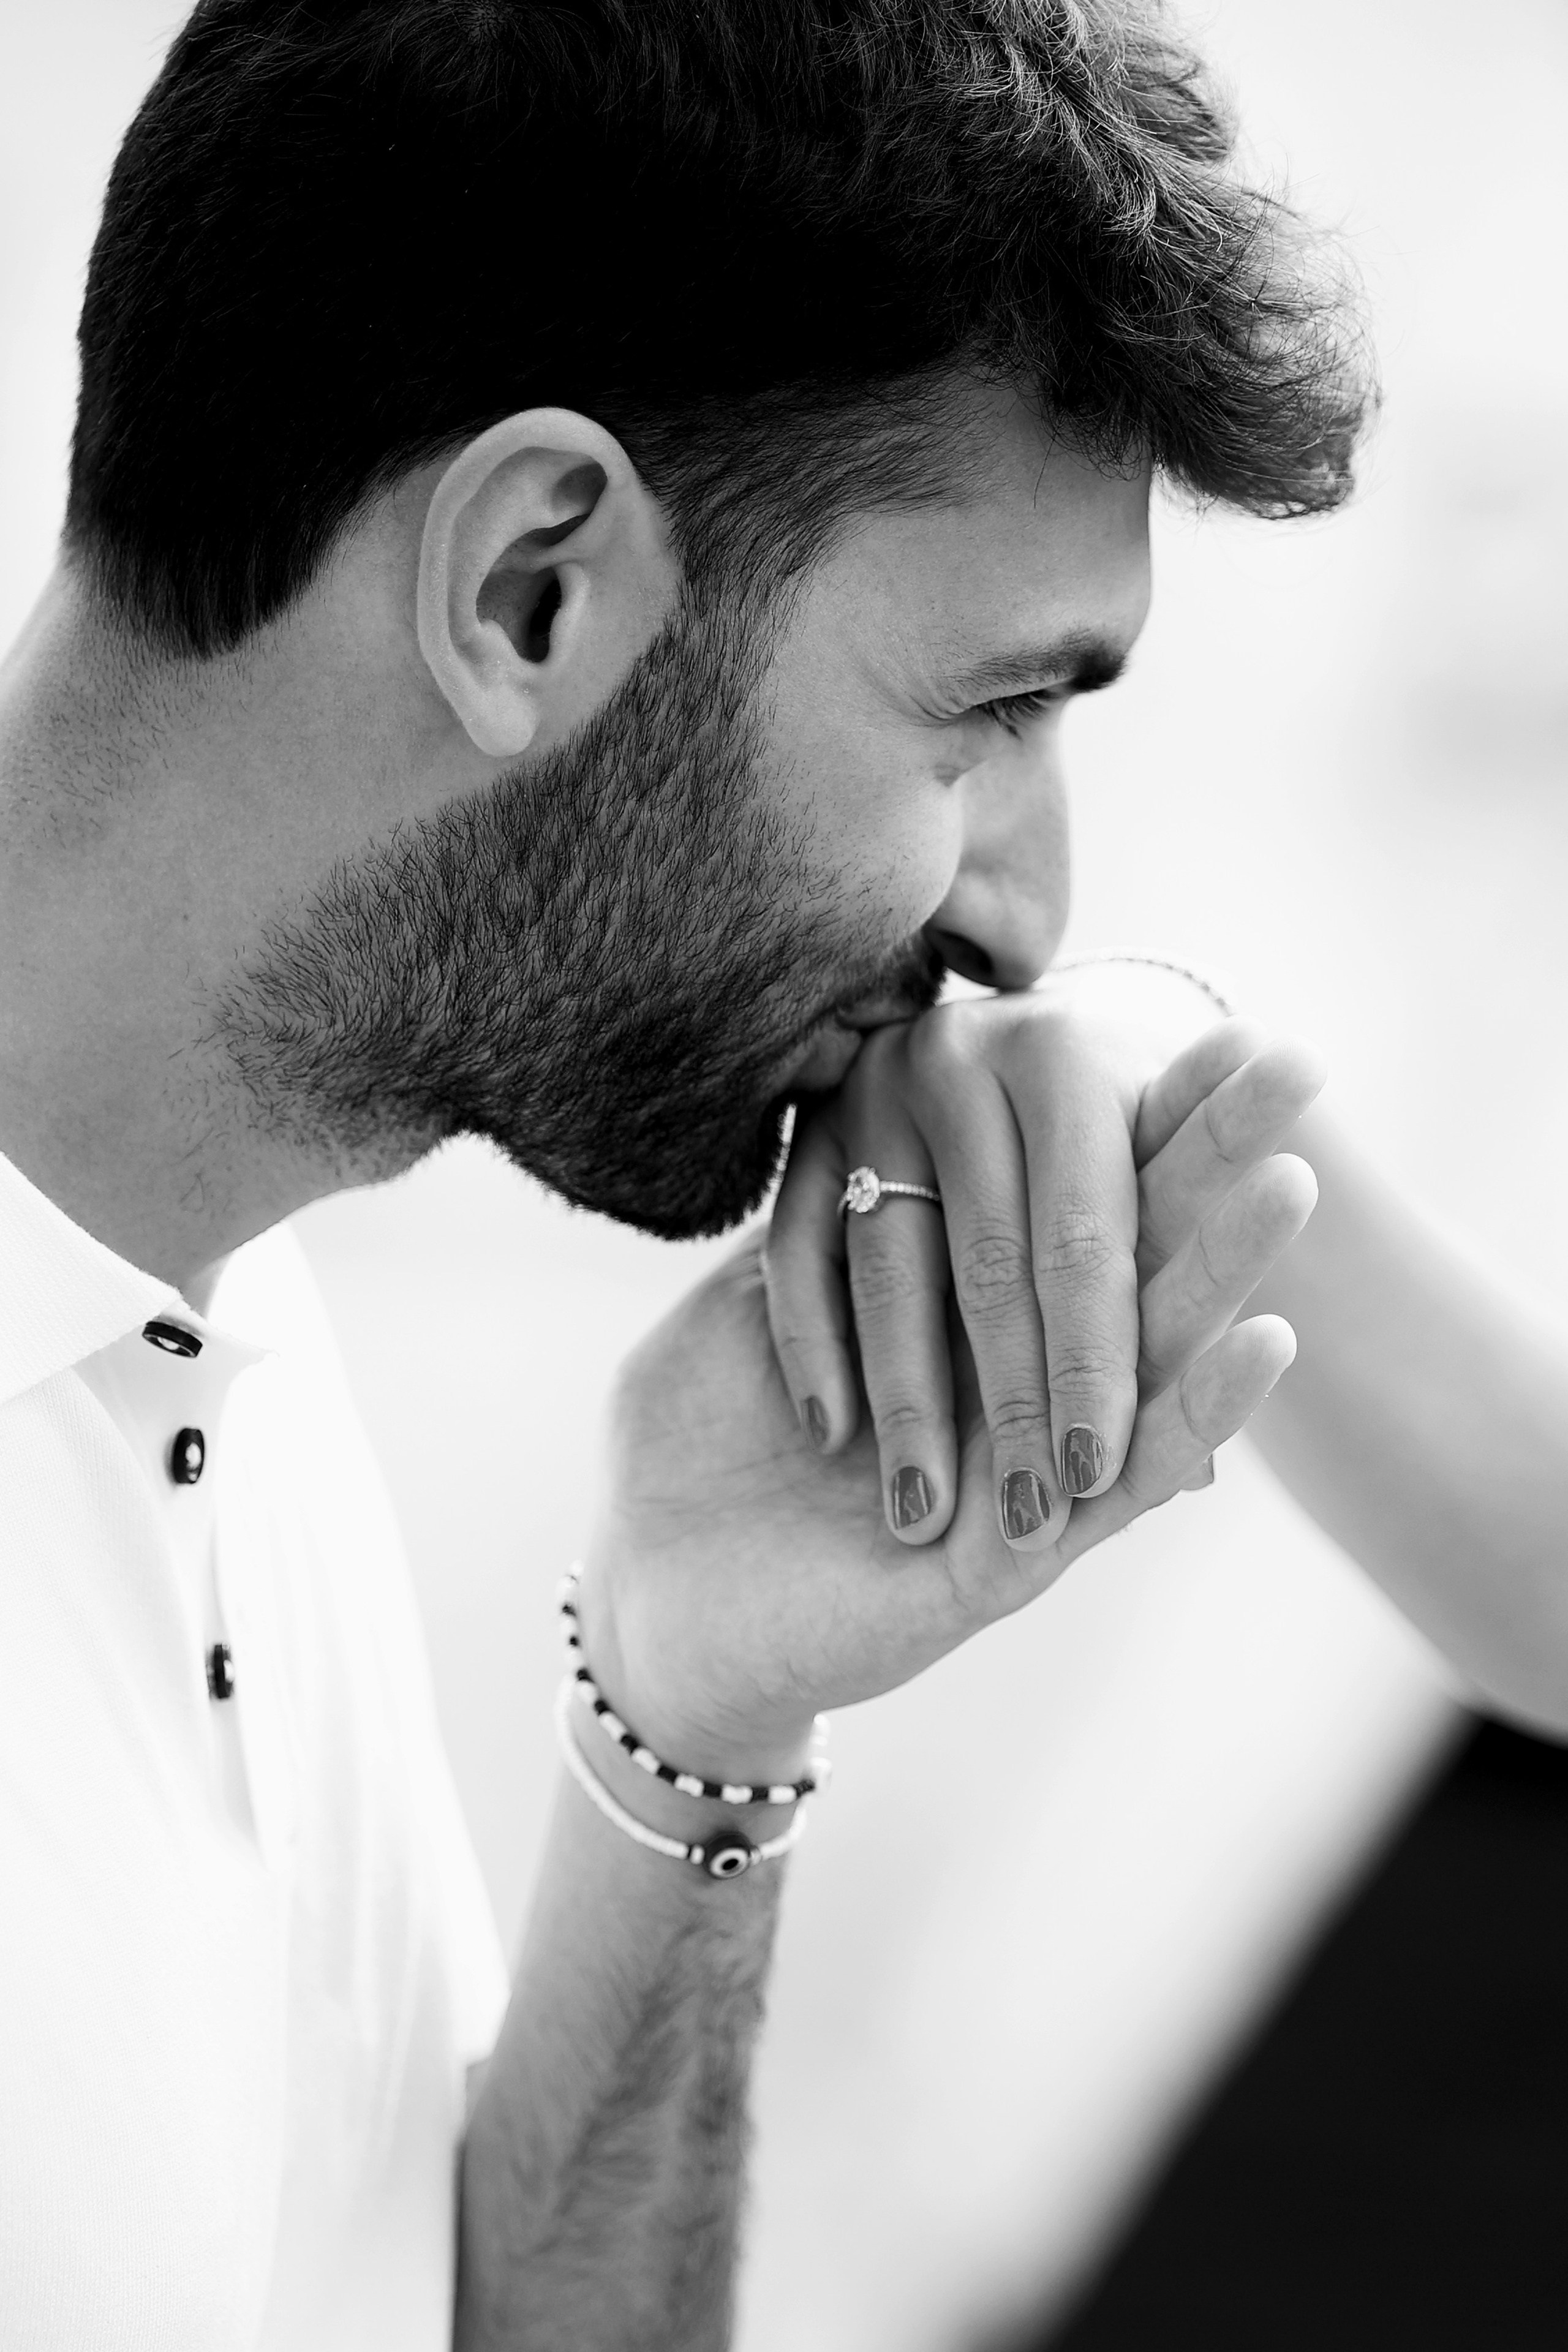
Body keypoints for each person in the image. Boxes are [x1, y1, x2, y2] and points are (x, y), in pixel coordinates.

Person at [0, 2, 1372, 2346]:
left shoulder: (201, 1343)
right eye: (993, 712)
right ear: (533, 588)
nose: (1031, 924)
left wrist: (690, 1717)